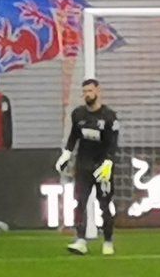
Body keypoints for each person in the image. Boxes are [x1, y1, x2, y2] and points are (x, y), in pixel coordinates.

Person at [58, 76, 118, 256]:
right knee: (80, 202)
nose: (87, 94)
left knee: (104, 204)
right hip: (83, 164)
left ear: (98, 92)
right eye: (84, 92)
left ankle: (108, 241)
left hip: (102, 166)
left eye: (90, 91)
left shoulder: (109, 116)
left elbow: (113, 143)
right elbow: (73, 137)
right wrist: (66, 154)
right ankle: (80, 240)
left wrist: (108, 162)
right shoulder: (78, 114)